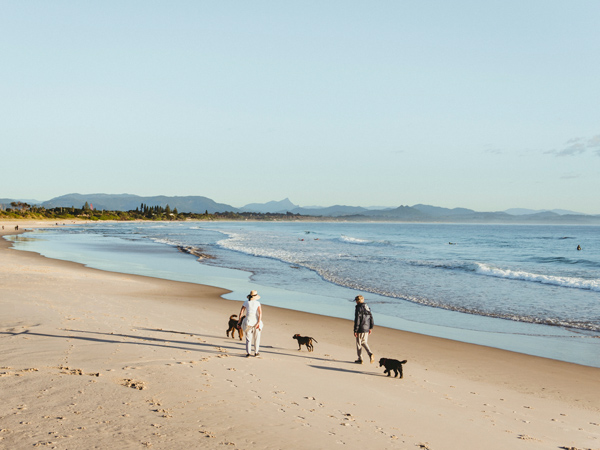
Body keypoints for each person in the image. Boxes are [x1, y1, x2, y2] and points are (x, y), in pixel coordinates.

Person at [238, 290, 263, 357]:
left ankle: (248, 353)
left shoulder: (246, 302)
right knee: (256, 338)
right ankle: (256, 352)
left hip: (248, 320)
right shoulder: (257, 303)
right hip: (255, 320)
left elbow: (241, 312)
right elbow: (260, 313)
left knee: (248, 338)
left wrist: (239, 321)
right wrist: (258, 322)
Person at [353, 295, 375, 364]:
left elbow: (357, 320)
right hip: (366, 327)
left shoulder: (358, 308)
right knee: (364, 342)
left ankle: (360, 358)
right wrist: (370, 327)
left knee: (359, 343)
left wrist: (355, 330)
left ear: (357, 301)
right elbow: (371, 317)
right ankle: (370, 354)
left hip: (360, 328)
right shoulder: (367, 307)